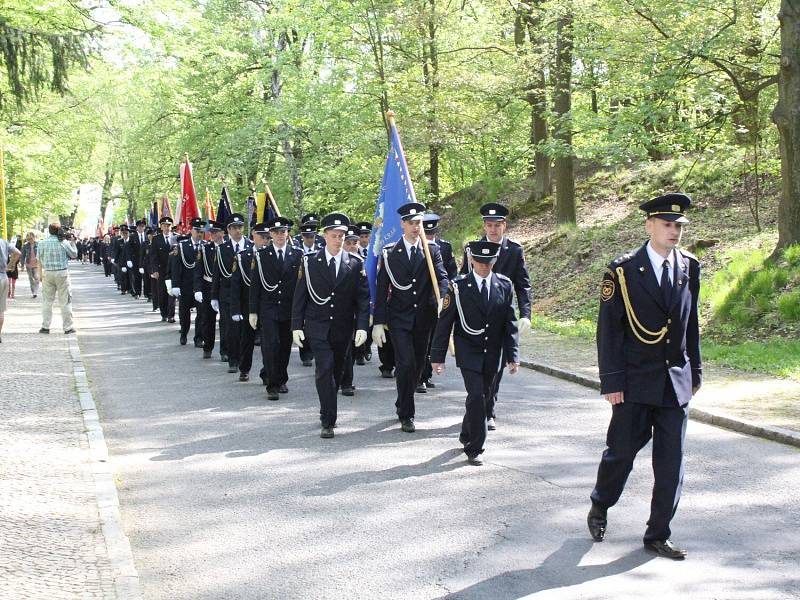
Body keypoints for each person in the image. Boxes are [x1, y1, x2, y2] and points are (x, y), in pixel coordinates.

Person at [587, 193, 701, 561]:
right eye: (668, 225)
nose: (675, 232)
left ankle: (657, 533)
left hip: (674, 383)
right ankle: (601, 504)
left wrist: (695, 371)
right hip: (635, 382)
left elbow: (690, 325)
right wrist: (612, 382)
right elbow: (609, 331)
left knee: (671, 463)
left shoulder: (689, 266)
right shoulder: (622, 270)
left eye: (679, 226)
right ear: (649, 225)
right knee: (620, 454)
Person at [430, 240, 520, 465]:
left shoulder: (504, 285)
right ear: (471, 261)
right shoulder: (457, 287)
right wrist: (437, 357)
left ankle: (466, 432)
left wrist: (513, 356)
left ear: (494, 262)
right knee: (477, 395)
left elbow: (510, 323)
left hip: (493, 352)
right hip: (468, 351)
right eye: (480, 263)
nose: (484, 267)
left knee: (485, 397)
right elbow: (444, 324)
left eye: (488, 263)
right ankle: (476, 447)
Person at [291, 213, 370, 438]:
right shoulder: (309, 262)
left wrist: (362, 326)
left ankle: (328, 405)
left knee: (336, 370)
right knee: (324, 368)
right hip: (317, 326)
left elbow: (362, 298)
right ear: (324, 236)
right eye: (334, 235)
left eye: (341, 236)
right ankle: (328, 418)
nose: (338, 239)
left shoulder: (354, 264)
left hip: (342, 328)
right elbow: (301, 295)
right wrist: (297, 324)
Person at [372, 202, 449, 433]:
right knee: (404, 363)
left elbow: (442, 278)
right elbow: (382, 287)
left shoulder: (431, 250)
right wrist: (378, 322)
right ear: (403, 224)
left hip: (424, 318)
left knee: (416, 366)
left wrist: (442, 300)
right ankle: (407, 413)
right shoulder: (389, 253)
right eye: (412, 223)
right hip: (399, 318)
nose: (417, 228)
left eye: (420, 224)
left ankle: (401, 400)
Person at [459, 202, 531, 431]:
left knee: (495, 371)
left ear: (504, 226)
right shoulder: (472, 249)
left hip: (500, 318)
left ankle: (488, 410)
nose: (492, 230)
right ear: (484, 226)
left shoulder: (514, 250)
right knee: (477, 375)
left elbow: (523, 285)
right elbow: (462, 279)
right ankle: (479, 411)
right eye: (489, 225)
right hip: (475, 321)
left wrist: (526, 314)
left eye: (496, 225)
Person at [249, 217, 301, 400]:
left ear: (288, 234)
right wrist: (253, 310)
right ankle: (272, 384)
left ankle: (281, 378)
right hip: (269, 308)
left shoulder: (297, 254)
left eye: (283, 232)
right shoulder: (262, 255)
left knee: (285, 346)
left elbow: (300, 285)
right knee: (271, 346)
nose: (280, 236)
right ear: (270, 234)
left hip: (288, 308)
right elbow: (255, 285)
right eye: (276, 233)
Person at [418, 213, 456, 391]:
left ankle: (427, 373)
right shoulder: (419, 247)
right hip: (422, 300)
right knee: (423, 341)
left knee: (435, 338)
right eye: (427, 233)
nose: (430, 237)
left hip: (440, 301)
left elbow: (451, 273)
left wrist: (446, 295)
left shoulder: (445, 247)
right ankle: (420, 376)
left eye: (432, 233)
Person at [211, 213, 253, 373]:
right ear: (228, 230)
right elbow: (217, 274)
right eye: (234, 227)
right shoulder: (222, 249)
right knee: (231, 329)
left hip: (247, 295)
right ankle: (233, 360)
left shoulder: (251, 245)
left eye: (240, 227)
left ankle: (244, 363)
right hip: (227, 295)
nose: (237, 230)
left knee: (246, 331)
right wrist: (214, 296)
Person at [38, 223, 78, 334]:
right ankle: (68, 327)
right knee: (65, 301)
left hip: (47, 273)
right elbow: (74, 255)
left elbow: (39, 260)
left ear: (49, 231)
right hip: (62, 273)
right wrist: (73, 242)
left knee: (47, 301)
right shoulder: (63, 242)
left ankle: (45, 326)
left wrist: (40, 275)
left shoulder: (42, 243)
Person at [170, 218, 205, 347]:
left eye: (201, 231)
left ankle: (198, 338)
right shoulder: (182, 246)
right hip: (186, 285)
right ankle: (184, 333)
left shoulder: (206, 246)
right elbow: (176, 267)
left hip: (200, 286)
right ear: (191, 230)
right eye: (197, 231)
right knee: (184, 313)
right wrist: (175, 285)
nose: (199, 234)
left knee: (201, 313)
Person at [294, 218, 323, 367]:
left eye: (312, 237)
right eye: (307, 237)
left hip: (317, 291)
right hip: (301, 289)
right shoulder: (297, 251)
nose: (309, 239)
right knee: (302, 322)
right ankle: (305, 353)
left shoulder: (320, 250)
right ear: (302, 237)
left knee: (313, 323)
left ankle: (314, 350)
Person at [339, 225, 364, 396]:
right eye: (349, 242)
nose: (353, 245)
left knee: (351, 348)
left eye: (355, 242)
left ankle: (346, 380)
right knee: (343, 348)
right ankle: (343, 380)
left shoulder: (363, 261)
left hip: (357, 309)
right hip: (339, 311)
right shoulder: (336, 259)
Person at [194, 220, 225, 359]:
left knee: (225, 321)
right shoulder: (205, 249)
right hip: (208, 286)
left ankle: (225, 351)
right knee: (208, 319)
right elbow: (198, 271)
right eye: (210, 232)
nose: (212, 235)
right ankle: (208, 346)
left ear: (222, 233)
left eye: (215, 232)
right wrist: (198, 289)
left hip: (224, 288)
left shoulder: (228, 248)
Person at [150, 217, 176, 323]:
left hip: (173, 270)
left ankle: (171, 315)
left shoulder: (176, 238)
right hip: (161, 270)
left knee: (172, 293)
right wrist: (155, 270)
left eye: (168, 225)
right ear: (161, 227)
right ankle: (164, 313)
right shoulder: (156, 239)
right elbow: (153, 256)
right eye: (164, 225)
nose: (167, 227)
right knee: (162, 293)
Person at [0, 236, 21, 342]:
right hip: (3, 277)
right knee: (0, 310)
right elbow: (17, 252)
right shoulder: (3, 242)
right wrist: (10, 264)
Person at [20, 232, 40, 298]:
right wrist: (22, 265)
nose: (30, 240)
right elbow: (22, 256)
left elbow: (42, 254)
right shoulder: (25, 245)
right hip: (28, 265)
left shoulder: (39, 244)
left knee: (37, 278)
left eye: (31, 238)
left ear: (34, 237)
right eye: (28, 239)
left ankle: (35, 291)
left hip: (36, 264)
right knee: (31, 279)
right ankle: (33, 292)